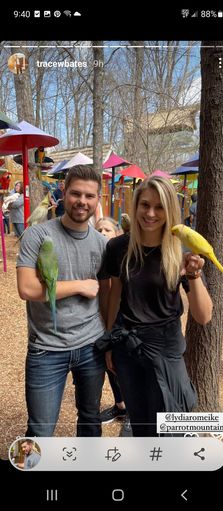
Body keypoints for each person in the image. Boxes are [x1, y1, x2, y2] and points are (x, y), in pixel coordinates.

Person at [101, 176, 212, 437]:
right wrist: (109, 343)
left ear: (170, 210)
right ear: (136, 205)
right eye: (145, 205)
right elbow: (114, 296)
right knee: (140, 423)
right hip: (127, 348)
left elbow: (204, 316)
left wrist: (194, 276)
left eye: (159, 207)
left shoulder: (181, 247)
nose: (150, 213)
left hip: (166, 348)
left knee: (171, 424)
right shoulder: (118, 247)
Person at [16, 165, 110, 437]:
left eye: (89, 196)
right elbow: (27, 288)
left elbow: (106, 294)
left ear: (97, 200)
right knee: (40, 430)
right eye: (75, 193)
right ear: (63, 193)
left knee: (90, 419)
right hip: (46, 348)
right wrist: (80, 285)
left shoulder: (102, 244)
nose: (82, 201)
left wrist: (108, 341)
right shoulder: (38, 235)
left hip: (91, 346)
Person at [95, 217, 131, 434]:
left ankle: (132, 410)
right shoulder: (95, 258)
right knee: (108, 366)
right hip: (98, 322)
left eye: (107, 229)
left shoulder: (122, 256)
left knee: (121, 366)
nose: (103, 233)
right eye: (99, 229)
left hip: (120, 323)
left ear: (117, 233)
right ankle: (120, 406)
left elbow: (115, 294)